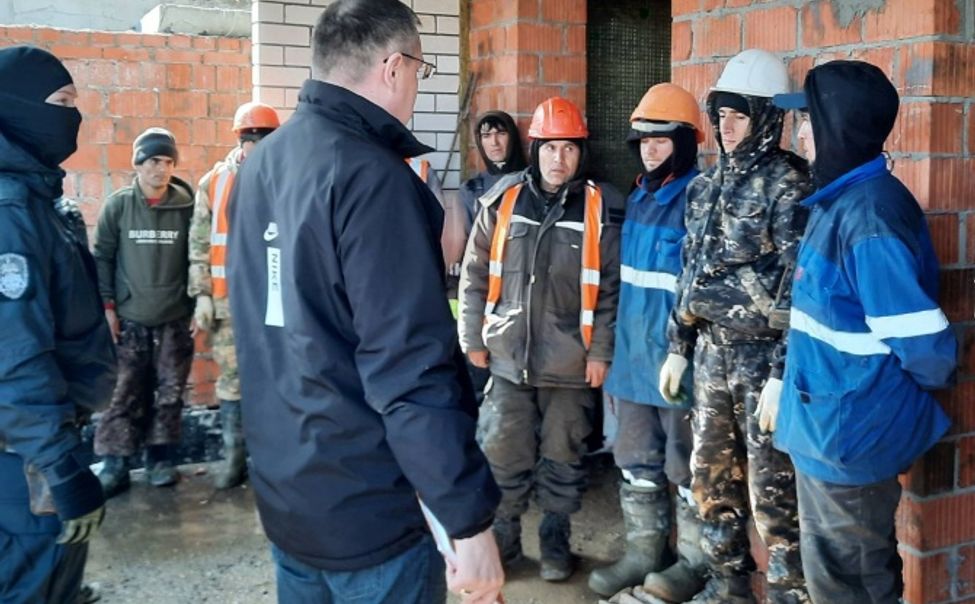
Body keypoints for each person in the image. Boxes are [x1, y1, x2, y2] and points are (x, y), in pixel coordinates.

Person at [225, 1, 504, 603]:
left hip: (286, 494)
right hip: (369, 511)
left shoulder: (261, 165)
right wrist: (467, 519)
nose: (416, 85)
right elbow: (408, 367)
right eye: (421, 70)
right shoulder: (372, 179)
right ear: (394, 67)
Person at [770, 61, 957, 604]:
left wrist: (881, 406)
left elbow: (927, 349)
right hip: (829, 428)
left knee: (850, 584)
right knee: (838, 576)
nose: (801, 134)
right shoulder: (841, 201)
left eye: (809, 120)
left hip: (849, 437)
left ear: (838, 128)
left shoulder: (868, 217)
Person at [657, 49, 813, 603]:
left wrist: (781, 372)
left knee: (775, 494)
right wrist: (678, 345)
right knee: (711, 481)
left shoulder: (789, 185)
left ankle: (790, 595)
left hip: (760, 360)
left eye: (739, 115)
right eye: (720, 114)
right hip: (710, 355)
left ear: (766, 118)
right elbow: (689, 272)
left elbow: (798, 288)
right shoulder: (703, 187)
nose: (726, 127)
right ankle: (728, 588)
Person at [458, 96, 623, 582]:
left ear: (581, 153)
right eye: (550, 147)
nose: (558, 158)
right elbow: (473, 275)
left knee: (563, 458)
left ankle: (555, 541)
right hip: (508, 358)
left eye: (568, 148)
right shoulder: (503, 202)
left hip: (570, 364)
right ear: (535, 150)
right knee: (502, 453)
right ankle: (505, 541)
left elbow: (610, 289)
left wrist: (600, 352)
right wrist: (472, 337)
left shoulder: (598, 208)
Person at [0, 45, 116, 603]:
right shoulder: (10, 213)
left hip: (39, 440)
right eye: (62, 102)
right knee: (34, 579)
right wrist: (60, 469)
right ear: (18, 107)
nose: (74, 116)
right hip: (23, 457)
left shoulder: (35, 198)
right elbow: (14, 357)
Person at [588, 83, 706, 599]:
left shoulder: (699, 199)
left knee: (689, 465)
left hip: (679, 366)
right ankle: (645, 553)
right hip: (634, 362)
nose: (651, 150)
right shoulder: (637, 198)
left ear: (685, 142)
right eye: (644, 141)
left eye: (662, 140)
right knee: (637, 460)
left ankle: (695, 563)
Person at [92, 127, 195, 497]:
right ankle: (115, 464)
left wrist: (197, 304)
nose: (161, 169)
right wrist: (108, 307)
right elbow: (102, 258)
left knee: (169, 392)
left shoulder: (187, 207)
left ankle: (160, 460)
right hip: (130, 319)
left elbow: (197, 256)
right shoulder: (118, 206)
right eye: (153, 161)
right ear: (138, 164)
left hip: (174, 318)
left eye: (167, 162)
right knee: (122, 391)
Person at [188, 101, 280, 490]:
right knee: (232, 380)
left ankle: (272, 462)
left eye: (264, 139)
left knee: (276, 378)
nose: (256, 146)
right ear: (240, 141)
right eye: (250, 139)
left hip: (273, 302)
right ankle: (234, 459)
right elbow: (198, 244)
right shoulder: (214, 182)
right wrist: (201, 295)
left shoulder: (288, 178)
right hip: (227, 301)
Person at [458, 111, 528, 229]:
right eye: (486, 136)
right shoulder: (471, 189)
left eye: (501, 133)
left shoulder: (532, 182)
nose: (494, 142)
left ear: (512, 137)